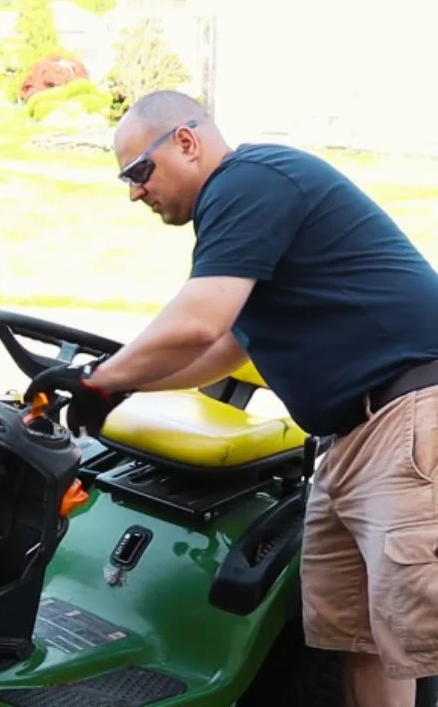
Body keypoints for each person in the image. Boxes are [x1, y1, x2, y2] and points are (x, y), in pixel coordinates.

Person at [26, 90, 438, 707]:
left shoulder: (249, 182)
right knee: (362, 640)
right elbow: (218, 352)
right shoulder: (248, 208)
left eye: (140, 171)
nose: (135, 191)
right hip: (350, 440)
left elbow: (198, 320)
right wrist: (116, 384)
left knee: (420, 630)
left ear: (186, 143)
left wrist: (102, 380)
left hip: (407, 419)